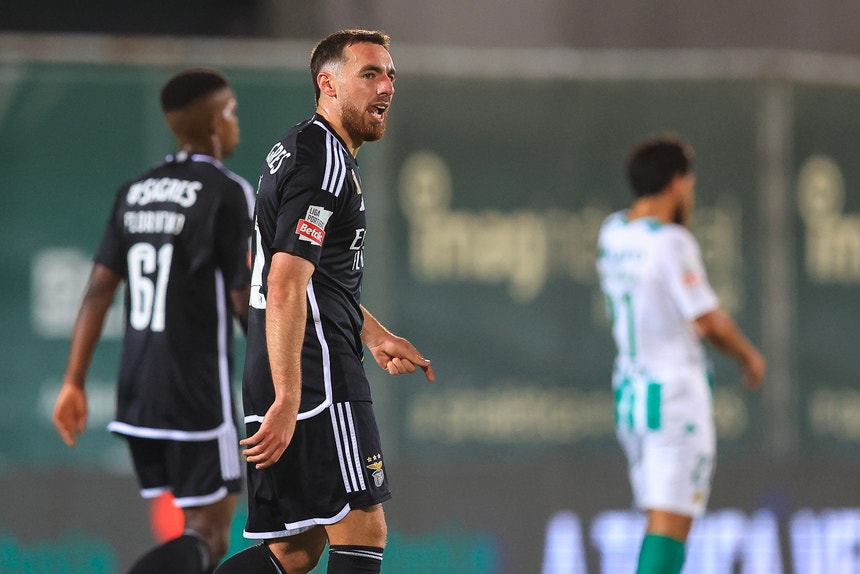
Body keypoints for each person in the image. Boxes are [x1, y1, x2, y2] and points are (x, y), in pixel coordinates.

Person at [213, 29, 434, 574]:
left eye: (390, 76)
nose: (386, 87)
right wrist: (290, 397)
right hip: (316, 376)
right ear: (327, 84)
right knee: (363, 528)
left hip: (282, 366)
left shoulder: (300, 146)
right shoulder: (324, 162)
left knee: (298, 549)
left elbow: (311, 277)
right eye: (369, 74)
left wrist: (373, 333)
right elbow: (285, 282)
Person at [52, 68, 255, 573]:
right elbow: (244, 301)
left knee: (194, 528)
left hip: (138, 393)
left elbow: (99, 290)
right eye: (232, 112)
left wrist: (73, 382)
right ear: (215, 122)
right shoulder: (227, 192)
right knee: (209, 534)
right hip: (197, 391)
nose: (236, 122)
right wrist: (285, 380)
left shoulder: (135, 191)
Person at [595, 136, 766, 574]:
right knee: (670, 525)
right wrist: (748, 356)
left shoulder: (613, 232)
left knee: (657, 518)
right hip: (673, 398)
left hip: (632, 396)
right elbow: (708, 320)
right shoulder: (671, 242)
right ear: (678, 182)